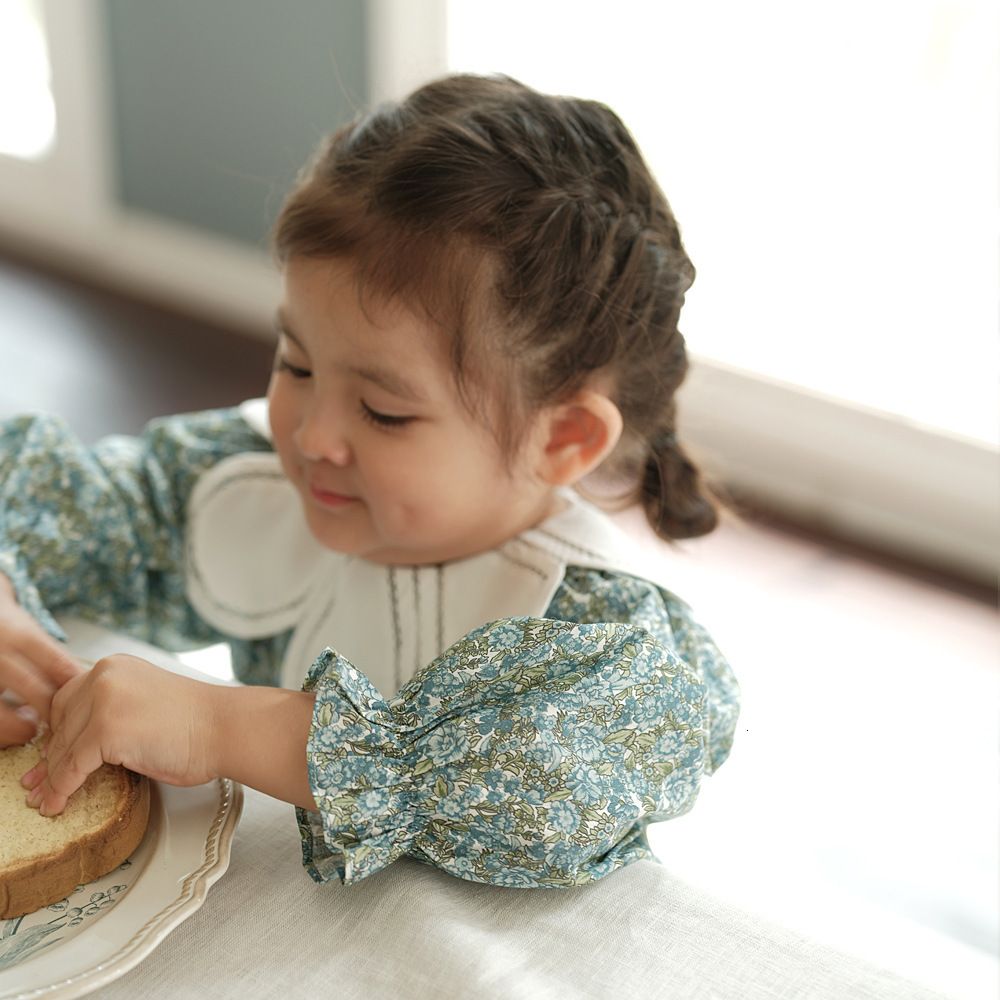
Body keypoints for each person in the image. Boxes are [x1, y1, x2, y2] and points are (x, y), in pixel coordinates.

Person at [0, 74, 738, 889]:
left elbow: (546, 786)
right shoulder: (246, 480)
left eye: (384, 412)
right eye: (297, 363)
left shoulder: (609, 637)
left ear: (561, 438)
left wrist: (217, 726)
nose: (313, 435)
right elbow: (53, 498)